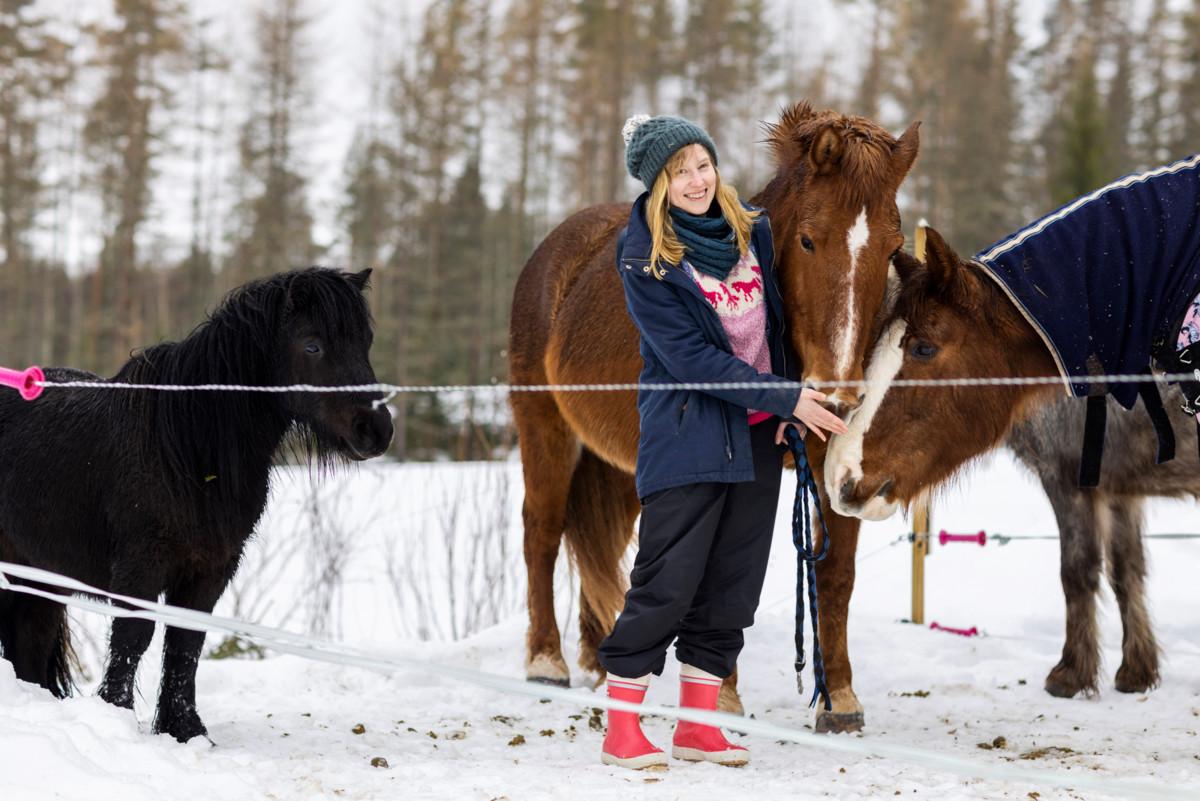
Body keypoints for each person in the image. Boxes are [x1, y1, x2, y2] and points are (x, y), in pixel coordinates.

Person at [597, 114, 848, 770]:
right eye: (679, 172)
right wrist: (785, 397)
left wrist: (790, 398)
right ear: (658, 184)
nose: (696, 180)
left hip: (758, 441)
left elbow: (777, 327)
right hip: (686, 440)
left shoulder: (752, 232)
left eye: (701, 164)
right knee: (666, 584)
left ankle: (698, 725)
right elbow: (690, 359)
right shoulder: (644, 255)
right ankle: (623, 726)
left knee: (732, 588)